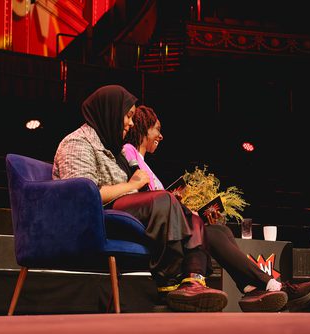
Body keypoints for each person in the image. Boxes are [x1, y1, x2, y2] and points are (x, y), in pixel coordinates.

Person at [122, 105, 310, 312]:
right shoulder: (129, 151)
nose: (160, 136)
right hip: (158, 230)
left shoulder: (146, 164)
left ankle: (251, 287)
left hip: (171, 223)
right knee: (213, 235)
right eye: (156, 129)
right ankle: (271, 285)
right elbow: (146, 199)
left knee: (221, 230)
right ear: (143, 128)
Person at [52, 84, 228, 312]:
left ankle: (192, 282)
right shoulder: (77, 143)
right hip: (95, 217)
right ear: (110, 111)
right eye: (127, 116)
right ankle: (169, 283)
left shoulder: (110, 146)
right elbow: (83, 195)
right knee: (164, 200)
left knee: (191, 217)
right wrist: (132, 184)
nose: (131, 123)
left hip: (122, 211)